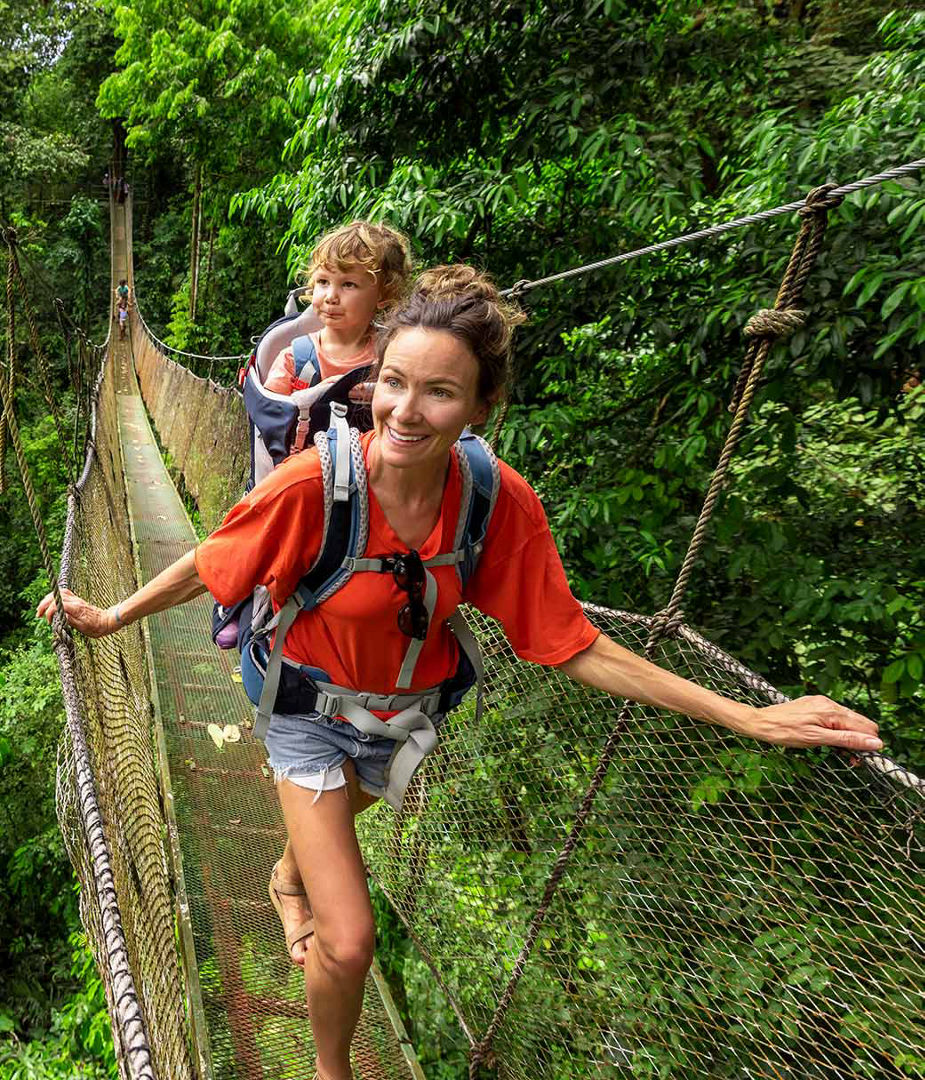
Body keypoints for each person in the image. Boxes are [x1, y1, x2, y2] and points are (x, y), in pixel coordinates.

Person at [38, 271, 883, 1080]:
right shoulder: (312, 487)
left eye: (439, 392)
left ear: (482, 408)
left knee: (327, 843)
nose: (406, 410)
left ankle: (290, 871)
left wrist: (745, 716)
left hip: (407, 720)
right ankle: (332, 1070)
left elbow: (570, 642)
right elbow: (210, 563)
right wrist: (110, 616)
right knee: (350, 939)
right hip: (304, 709)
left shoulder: (492, 498)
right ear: (372, 381)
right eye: (393, 383)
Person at [263, 220, 411, 401]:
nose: (331, 297)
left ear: (383, 295)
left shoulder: (391, 356)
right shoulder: (294, 359)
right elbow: (271, 417)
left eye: (348, 284)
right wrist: (313, 396)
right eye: (323, 282)